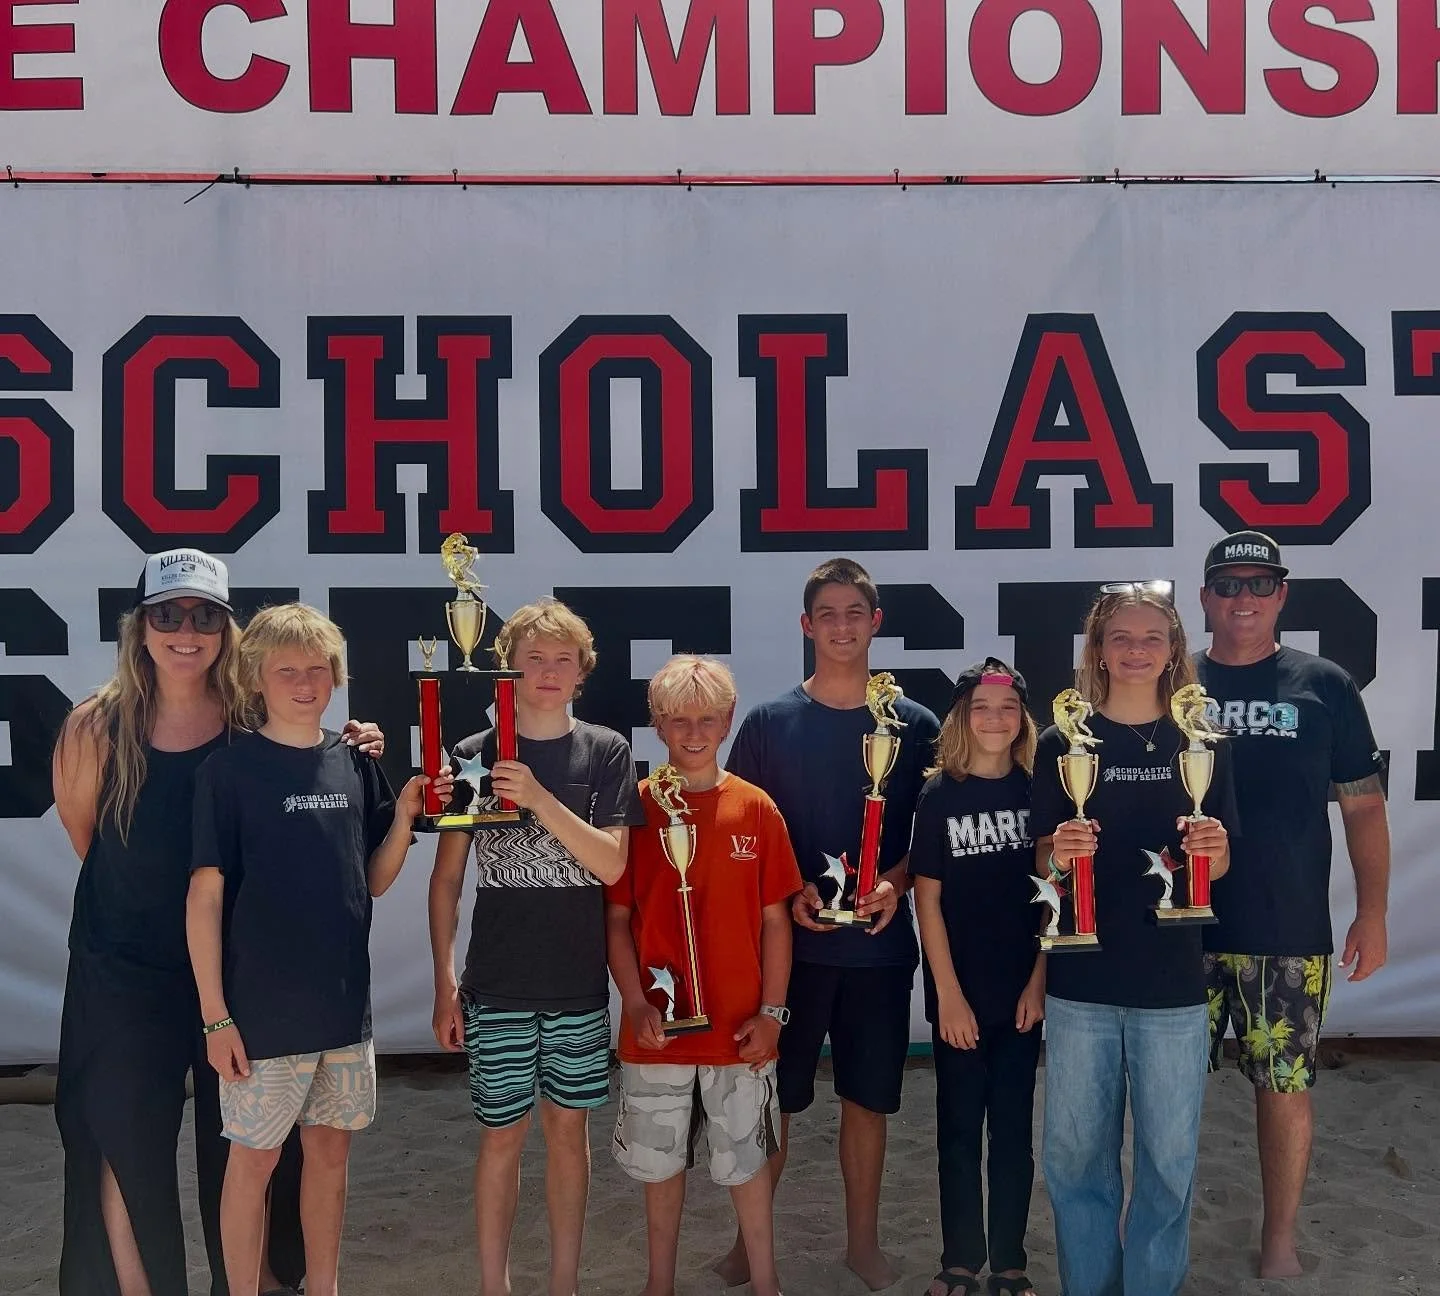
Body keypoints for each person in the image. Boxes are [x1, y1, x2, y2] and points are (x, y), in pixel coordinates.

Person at [51, 551, 384, 1296]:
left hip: (237, 968)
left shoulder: (251, 724)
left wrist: (359, 742)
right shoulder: (95, 726)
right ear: (140, 628)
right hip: (123, 966)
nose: (186, 631)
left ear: (227, 629)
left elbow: (312, 767)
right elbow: (89, 841)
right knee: (123, 1132)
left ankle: (255, 1281)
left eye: (205, 615)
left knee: (249, 1139)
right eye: (167, 614)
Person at [185, 603, 444, 1296]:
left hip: (343, 1013)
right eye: (287, 671)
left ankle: (323, 1286)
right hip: (261, 1017)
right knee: (254, 1163)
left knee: (330, 1156)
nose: (305, 684)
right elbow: (204, 897)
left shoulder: (354, 761)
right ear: (256, 678)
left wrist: (406, 815)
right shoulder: (228, 772)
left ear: (336, 676)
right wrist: (215, 1017)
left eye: (318, 669)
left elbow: (375, 880)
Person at [720, 557, 940, 1292]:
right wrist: (787, 895)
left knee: (867, 1101)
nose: (841, 627)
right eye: (827, 614)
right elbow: (741, 831)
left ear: (876, 623)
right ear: (806, 625)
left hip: (878, 951)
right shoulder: (769, 724)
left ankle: (862, 1244)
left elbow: (933, 839)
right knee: (774, 1102)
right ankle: (747, 1245)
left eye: (855, 613)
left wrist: (894, 883)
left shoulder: (915, 726)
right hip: (789, 953)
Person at [427, 598, 645, 1296]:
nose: (549, 671)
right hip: (495, 985)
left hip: (577, 987)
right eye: (534, 658)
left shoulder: (605, 751)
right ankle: (494, 1285)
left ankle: (563, 1283)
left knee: (567, 1134)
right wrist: (445, 982)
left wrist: (541, 799)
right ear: (508, 668)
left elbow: (611, 865)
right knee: (500, 1136)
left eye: (563, 659)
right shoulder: (472, 755)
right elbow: (447, 879)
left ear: (582, 672)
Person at [1031, 581, 1238, 1296]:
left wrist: (1214, 851)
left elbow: (1222, 861)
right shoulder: (1062, 742)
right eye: (1120, 637)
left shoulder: (1202, 742)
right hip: (1081, 986)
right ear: (1098, 650)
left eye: (1153, 637)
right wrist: (1058, 854)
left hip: (1173, 988)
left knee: (1168, 1164)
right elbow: (1040, 861)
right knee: (1074, 1160)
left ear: (1174, 648)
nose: (1136, 650)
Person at [1193, 531, 1390, 1279]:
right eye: (1228, 585)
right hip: (1177, 927)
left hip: (1286, 928)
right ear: (1205, 598)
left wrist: (1372, 912)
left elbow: (1363, 807)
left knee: (1284, 1088)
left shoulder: (1325, 684)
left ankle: (1279, 1240)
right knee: (1163, 1094)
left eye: (1258, 584)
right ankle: (1158, 1231)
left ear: (1281, 595)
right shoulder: (1174, 680)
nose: (1242, 598)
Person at [606, 655, 802, 1296]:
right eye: (679, 720)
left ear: (728, 720)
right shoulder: (636, 807)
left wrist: (772, 1013)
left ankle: (766, 1282)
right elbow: (617, 919)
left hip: (740, 1030)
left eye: (707, 720)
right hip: (657, 1031)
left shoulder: (756, 808)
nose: (694, 733)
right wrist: (634, 1001)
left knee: (748, 1166)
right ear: (657, 724)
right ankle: (658, 1283)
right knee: (659, 1167)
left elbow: (776, 922)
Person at [910, 659, 1045, 1296]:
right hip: (959, 996)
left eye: (1008, 707)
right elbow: (927, 900)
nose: (995, 718)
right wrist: (947, 996)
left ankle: (1010, 1262)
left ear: (1023, 719)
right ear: (962, 717)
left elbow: (1056, 899)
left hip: (1021, 995)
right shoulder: (940, 794)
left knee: (1013, 1133)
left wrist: (1038, 981)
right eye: (982, 707)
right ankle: (960, 1260)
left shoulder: (1041, 791)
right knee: (960, 1131)